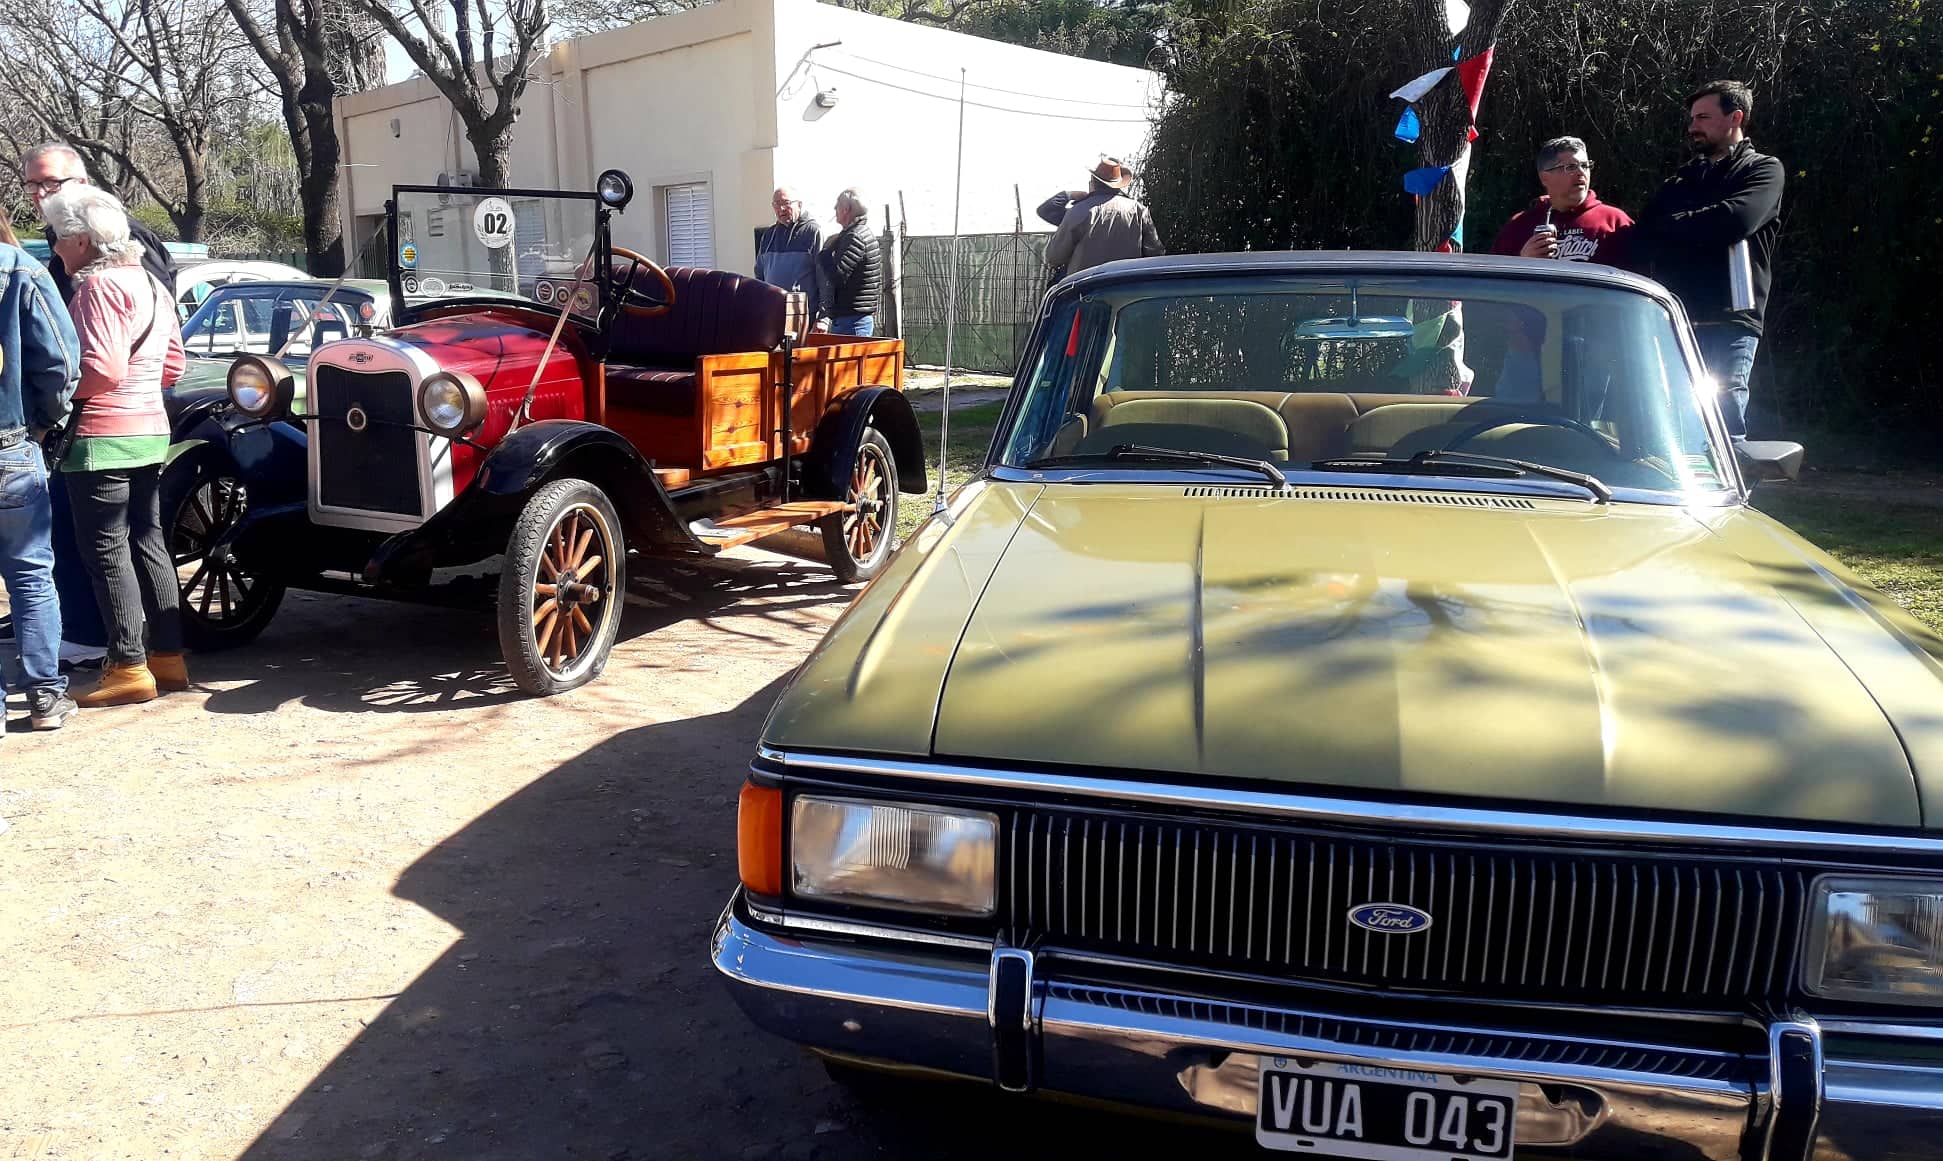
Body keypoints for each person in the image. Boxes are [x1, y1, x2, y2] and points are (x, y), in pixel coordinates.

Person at [40, 185, 187, 707]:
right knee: (149, 540)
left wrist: (52, 398)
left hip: (102, 435)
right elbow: (174, 365)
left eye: (57, 238)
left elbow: (101, 368)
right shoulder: (151, 284)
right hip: (150, 429)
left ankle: (127, 665)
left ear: (81, 240)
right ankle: (168, 658)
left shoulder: (96, 288)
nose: (55, 248)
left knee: (105, 550)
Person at [1637, 81, 1785, 438]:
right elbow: (1645, 234)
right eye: (1692, 118)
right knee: (1668, 420)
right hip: (1676, 319)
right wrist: (1701, 226)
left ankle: (1732, 477)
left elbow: (1736, 221)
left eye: (1703, 117)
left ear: (1736, 117)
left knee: (1724, 417)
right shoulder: (1681, 180)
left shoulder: (1763, 170)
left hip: (1731, 320)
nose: (1693, 127)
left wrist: (1676, 227)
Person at [0, 213, 81, 731]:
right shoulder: (21, 270)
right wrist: (45, 423)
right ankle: (45, 697)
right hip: (10, 445)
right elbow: (61, 363)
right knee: (30, 575)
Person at [22, 143, 178, 305]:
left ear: (81, 182)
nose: (40, 193)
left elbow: (154, 304)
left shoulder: (117, 231)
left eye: (51, 182)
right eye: (32, 185)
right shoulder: (58, 235)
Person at [1491, 136, 1634, 267]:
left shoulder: (1615, 222)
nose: (1581, 172)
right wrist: (1522, 262)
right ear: (1545, 178)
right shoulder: (1519, 225)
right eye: (1571, 167)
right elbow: (1494, 279)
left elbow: (1637, 276)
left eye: (1585, 166)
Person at [1041, 157, 1165, 280]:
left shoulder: (1078, 211)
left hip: (1085, 288)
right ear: (1118, 184)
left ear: (1093, 182)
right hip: (1128, 287)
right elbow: (1156, 254)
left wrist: (1070, 195)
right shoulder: (1139, 211)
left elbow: (1054, 257)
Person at [754, 186, 825, 320]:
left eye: (786, 203)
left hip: (803, 315)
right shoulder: (768, 235)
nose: (781, 209)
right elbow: (759, 274)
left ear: (799, 205)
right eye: (776, 204)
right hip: (773, 313)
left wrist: (823, 317)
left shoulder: (813, 232)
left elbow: (824, 278)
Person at [817, 189, 881, 337]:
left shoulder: (854, 237)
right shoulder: (858, 233)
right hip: (853, 318)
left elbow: (837, 277)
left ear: (846, 209)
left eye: (837, 205)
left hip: (852, 321)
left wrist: (825, 253)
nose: (834, 208)